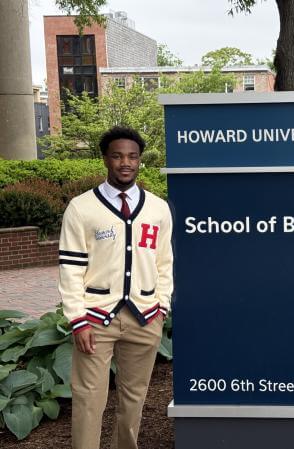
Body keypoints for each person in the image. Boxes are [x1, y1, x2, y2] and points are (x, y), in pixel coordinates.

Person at [58, 126, 173, 449]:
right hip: (95, 319)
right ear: (105, 159)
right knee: (89, 398)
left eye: (132, 157)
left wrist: (161, 306)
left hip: (145, 316)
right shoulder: (82, 208)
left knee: (134, 398)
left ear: (140, 161)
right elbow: (70, 268)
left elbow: (165, 262)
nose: (126, 163)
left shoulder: (158, 208)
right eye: (118, 156)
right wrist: (77, 320)